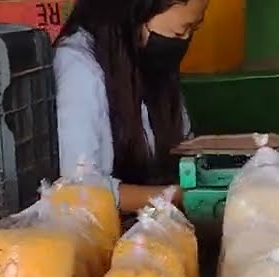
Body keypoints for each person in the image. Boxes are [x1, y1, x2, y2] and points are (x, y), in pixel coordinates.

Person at [54, 0, 208, 213]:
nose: (185, 40)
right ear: (138, 10)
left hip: (157, 223)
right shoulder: (78, 66)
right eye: (180, 31)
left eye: (194, 30)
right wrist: (177, 196)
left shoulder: (151, 60)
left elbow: (185, 145)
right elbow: (80, 189)